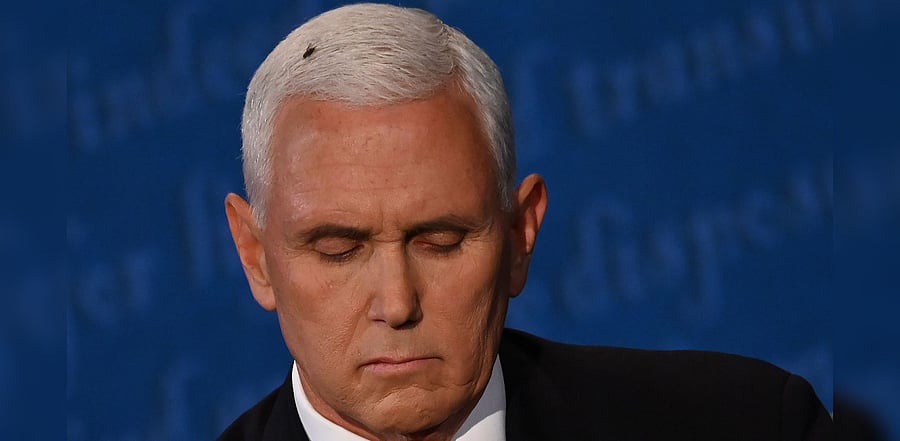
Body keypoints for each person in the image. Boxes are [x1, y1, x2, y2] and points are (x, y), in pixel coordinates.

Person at [219, 3, 832, 440]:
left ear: (520, 234)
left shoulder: (748, 424)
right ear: (255, 255)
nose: (397, 302)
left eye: (441, 241)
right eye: (338, 249)